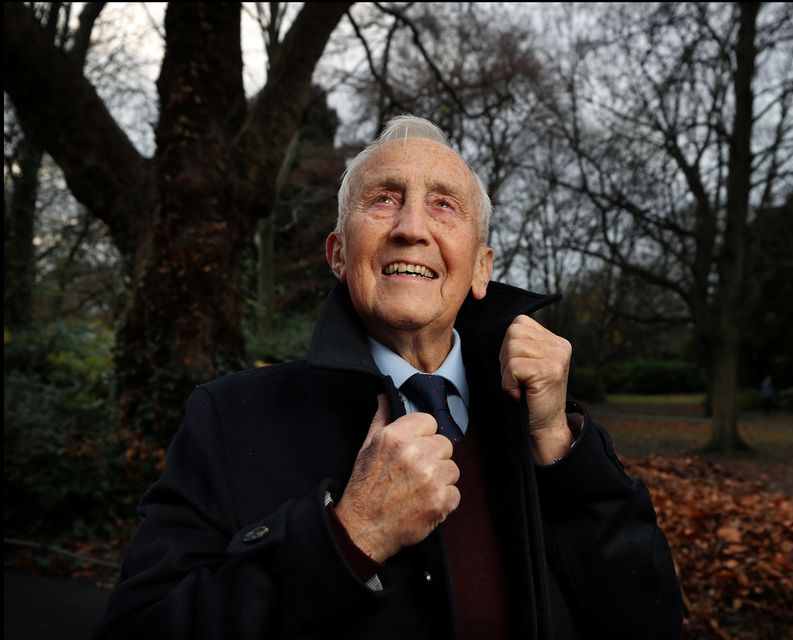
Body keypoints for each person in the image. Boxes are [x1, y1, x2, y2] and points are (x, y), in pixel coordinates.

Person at [94, 115, 683, 639]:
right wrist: (348, 538)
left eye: (444, 205)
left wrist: (560, 446)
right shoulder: (231, 418)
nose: (411, 227)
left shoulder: (542, 419)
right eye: (383, 199)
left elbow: (648, 618)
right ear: (339, 256)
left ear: (482, 268)